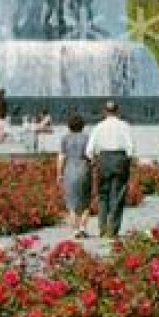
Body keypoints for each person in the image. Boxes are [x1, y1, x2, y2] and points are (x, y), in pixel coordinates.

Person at [86, 102, 135, 238]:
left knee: (102, 195)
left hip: (103, 159)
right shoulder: (124, 126)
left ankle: (102, 228)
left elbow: (89, 150)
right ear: (117, 110)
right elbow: (130, 148)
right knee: (117, 196)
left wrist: (95, 161)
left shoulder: (98, 127)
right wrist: (127, 160)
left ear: (105, 111)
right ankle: (113, 230)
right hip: (119, 158)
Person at [58, 112, 93, 236]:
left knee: (71, 203)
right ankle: (83, 227)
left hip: (69, 171)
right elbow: (91, 156)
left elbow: (61, 157)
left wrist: (59, 174)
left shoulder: (65, 138)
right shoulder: (87, 138)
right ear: (83, 125)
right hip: (84, 170)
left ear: (69, 126)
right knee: (86, 201)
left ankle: (75, 229)